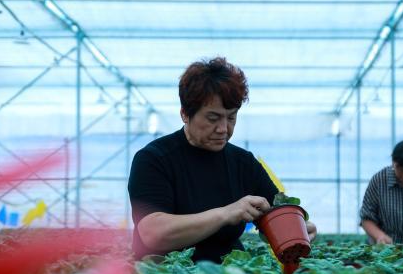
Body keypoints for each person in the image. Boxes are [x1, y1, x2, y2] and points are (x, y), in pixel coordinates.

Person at [128, 57, 317, 262]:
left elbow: (275, 214)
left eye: (231, 117)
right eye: (213, 118)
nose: (223, 129)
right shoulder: (154, 159)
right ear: (185, 114)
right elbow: (154, 234)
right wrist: (227, 213)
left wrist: (296, 228)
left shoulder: (244, 163)